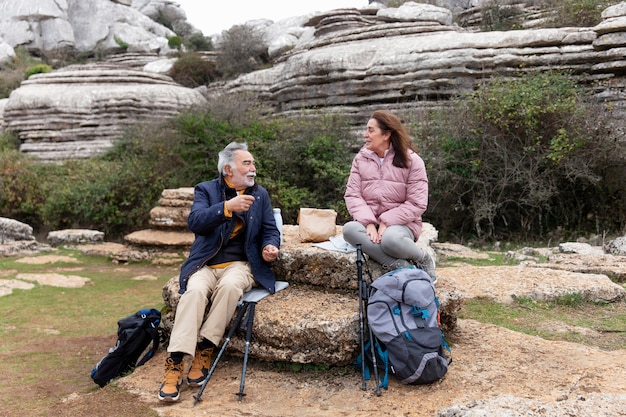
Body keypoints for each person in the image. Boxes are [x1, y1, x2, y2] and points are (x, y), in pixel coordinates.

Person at [158, 141, 281, 402]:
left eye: (253, 163)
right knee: (194, 292)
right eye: (247, 163)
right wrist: (227, 208)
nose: (253, 168)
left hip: (240, 264)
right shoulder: (206, 190)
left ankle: (205, 348)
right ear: (228, 169)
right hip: (206, 263)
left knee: (230, 287)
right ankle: (176, 361)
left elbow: (270, 228)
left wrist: (271, 245)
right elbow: (196, 222)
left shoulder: (260, 195)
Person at [343, 109, 436, 283]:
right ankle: (400, 266)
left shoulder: (412, 161)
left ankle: (423, 258)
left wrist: (386, 221)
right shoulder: (360, 159)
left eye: (371, 130)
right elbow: (353, 194)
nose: (365, 135)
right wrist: (369, 223)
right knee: (349, 229)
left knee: (390, 240)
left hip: (402, 225)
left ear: (386, 134)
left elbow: (417, 203)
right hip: (371, 222)